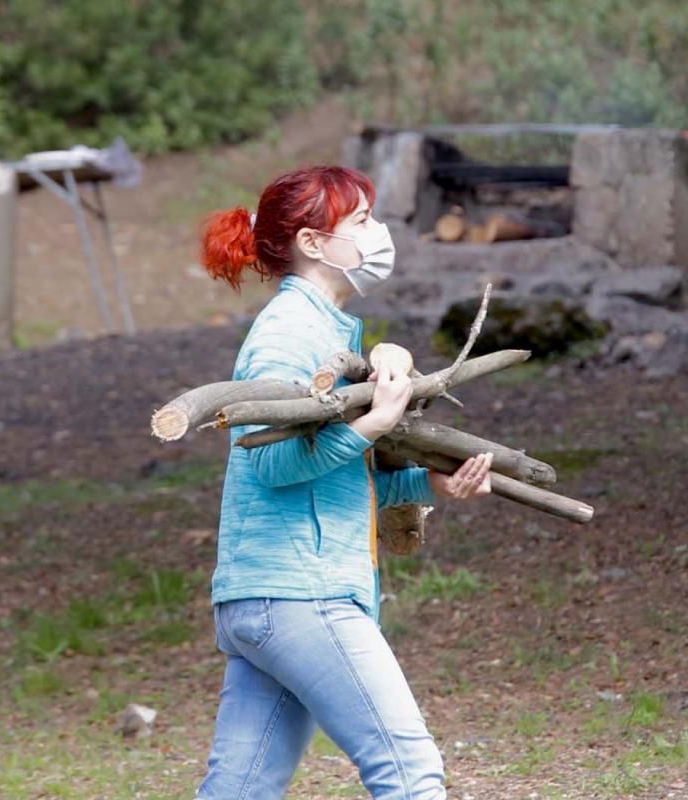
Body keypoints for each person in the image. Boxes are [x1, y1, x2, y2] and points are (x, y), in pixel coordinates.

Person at [195, 166, 494, 800]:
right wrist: (377, 422)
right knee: (410, 774)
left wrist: (426, 484)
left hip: (266, 596)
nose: (377, 234)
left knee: (241, 789)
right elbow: (270, 464)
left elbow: (328, 484)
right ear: (312, 242)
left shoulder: (325, 331)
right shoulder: (288, 334)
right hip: (303, 594)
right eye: (360, 222)